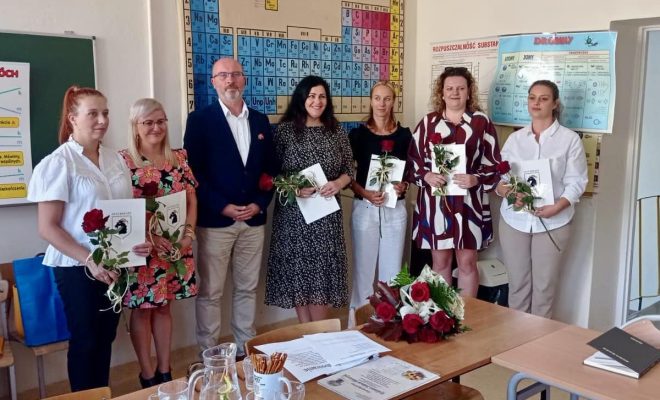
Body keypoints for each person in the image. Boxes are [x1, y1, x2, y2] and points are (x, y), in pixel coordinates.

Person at [27, 86, 152, 391]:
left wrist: (139, 239)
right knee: (86, 340)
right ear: (72, 118)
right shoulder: (59, 163)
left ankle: (101, 394)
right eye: (93, 114)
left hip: (114, 265)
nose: (102, 120)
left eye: (105, 113)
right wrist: (89, 260)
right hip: (77, 267)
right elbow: (48, 227)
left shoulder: (115, 158)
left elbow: (124, 211)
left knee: (105, 336)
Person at [184, 58, 274, 358]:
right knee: (211, 292)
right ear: (214, 82)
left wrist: (259, 204)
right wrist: (222, 206)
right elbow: (193, 173)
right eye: (223, 75)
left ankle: (245, 351)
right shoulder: (200, 120)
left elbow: (270, 170)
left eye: (235, 74)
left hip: (253, 221)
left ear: (244, 79)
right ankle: (209, 355)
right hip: (215, 222)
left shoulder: (260, 121)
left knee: (247, 288)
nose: (230, 80)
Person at [120, 98, 198, 387]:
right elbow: (120, 209)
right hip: (143, 249)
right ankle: (147, 374)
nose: (156, 127)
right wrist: (151, 238)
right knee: (143, 309)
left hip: (175, 247)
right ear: (135, 126)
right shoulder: (123, 161)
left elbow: (191, 200)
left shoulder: (179, 158)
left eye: (161, 121)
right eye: (148, 122)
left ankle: (165, 371)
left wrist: (188, 236)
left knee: (164, 307)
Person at [495, 80, 588, 318]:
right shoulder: (516, 139)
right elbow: (500, 178)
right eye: (532, 97)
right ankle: (517, 339)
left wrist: (557, 206)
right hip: (515, 221)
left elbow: (577, 182)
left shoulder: (569, 140)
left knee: (544, 288)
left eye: (543, 98)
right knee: (518, 285)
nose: (536, 103)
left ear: (555, 103)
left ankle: (538, 339)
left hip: (553, 222)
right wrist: (507, 192)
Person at [265, 75, 353, 323]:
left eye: (322, 96)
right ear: (301, 98)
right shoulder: (285, 131)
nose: (317, 101)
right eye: (312, 96)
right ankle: (306, 331)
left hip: (325, 216)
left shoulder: (336, 130)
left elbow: (349, 169)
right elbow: (272, 173)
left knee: (320, 275)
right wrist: (294, 188)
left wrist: (338, 183)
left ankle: (321, 333)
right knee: (298, 274)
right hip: (293, 217)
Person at [407, 67, 501, 297]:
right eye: (449, 88)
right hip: (436, 206)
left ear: (469, 92)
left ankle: (467, 313)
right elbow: (413, 161)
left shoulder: (481, 123)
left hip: (469, 205)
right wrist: (427, 176)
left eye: (460, 88)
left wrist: (476, 178)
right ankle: (444, 313)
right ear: (441, 93)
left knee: (467, 263)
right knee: (440, 263)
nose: (455, 93)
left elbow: (494, 165)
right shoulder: (428, 123)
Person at [348, 81, 412, 313]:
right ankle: (357, 324)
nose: (382, 103)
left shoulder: (405, 135)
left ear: (394, 102)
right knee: (363, 273)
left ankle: (390, 323)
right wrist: (364, 192)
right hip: (365, 208)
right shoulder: (357, 135)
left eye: (387, 98)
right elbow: (347, 175)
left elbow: (411, 172)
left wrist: (404, 185)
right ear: (370, 101)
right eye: (377, 98)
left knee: (392, 275)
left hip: (395, 209)